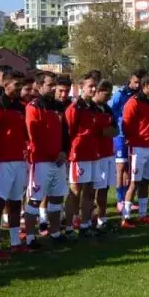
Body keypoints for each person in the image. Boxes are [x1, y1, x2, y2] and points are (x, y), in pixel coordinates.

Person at [0, 71, 29, 257]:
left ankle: (15, 242)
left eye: (21, 85)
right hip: (2, 162)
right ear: (5, 86)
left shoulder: (20, 107)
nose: (19, 89)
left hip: (19, 160)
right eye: (16, 85)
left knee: (16, 202)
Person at [23, 72, 69, 247]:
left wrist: (64, 151)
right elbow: (34, 136)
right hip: (41, 161)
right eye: (50, 85)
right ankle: (30, 238)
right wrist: (52, 154)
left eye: (54, 85)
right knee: (35, 199)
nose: (53, 88)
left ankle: (56, 233)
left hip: (58, 160)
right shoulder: (33, 107)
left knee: (57, 198)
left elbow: (65, 132)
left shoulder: (58, 107)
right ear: (39, 85)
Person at [121, 75, 149, 227]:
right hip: (137, 148)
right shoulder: (133, 102)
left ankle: (143, 215)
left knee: (145, 182)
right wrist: (133, 139)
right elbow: (126, 124)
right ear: (146, 85)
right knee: (134, 183)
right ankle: (125, 217)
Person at [66, 74, 103, 237]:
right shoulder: (74, 108)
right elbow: (69, 131)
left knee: (89, 190)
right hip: (79, 155)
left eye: (95, 86)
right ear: (82, 87)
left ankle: (86, 223)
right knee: (76, 190)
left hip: (93, 154)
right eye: (90, 86)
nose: (94, 89)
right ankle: (72, 222)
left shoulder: (94, 108)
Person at [109, 70, 144, 213]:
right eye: (135, 82)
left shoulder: (140, 96)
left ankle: (128, 198)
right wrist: (117, 125)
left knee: (130, 168)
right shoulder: (121, 93)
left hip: (134, 135)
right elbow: (111, 110)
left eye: (139, 83)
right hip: (120, 135)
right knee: (121, 167)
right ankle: (119, 200)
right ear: (130, 79)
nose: (137, 85)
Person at [91, 80, 119, 230]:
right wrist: (104, 131)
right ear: (98, 91)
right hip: (96, 155)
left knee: (105, 188)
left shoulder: (107, 108)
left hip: (108, 153)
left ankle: (102, 218)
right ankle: (89, 219)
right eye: (106, 94)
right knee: (93, 189)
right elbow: (95, 131)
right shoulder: (91, 108)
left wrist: (106, 131)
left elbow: (115, 130)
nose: (109, 97)